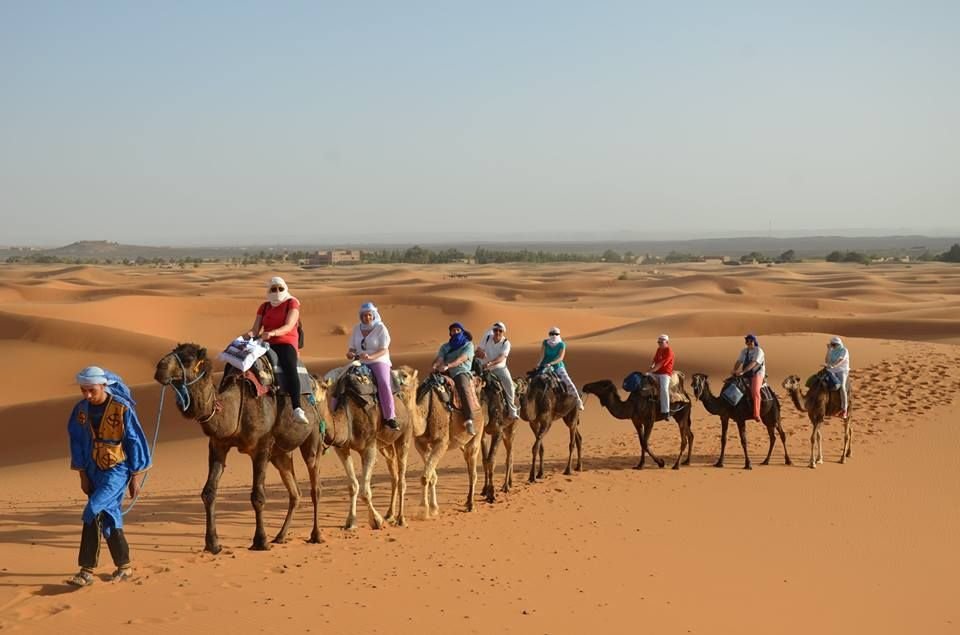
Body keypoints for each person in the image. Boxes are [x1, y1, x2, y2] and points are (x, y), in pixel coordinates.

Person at [66, 366, 152, 587]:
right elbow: (76, 441)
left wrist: (134, 477)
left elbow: (134, 441)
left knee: (92, 510)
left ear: (103, 386)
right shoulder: (81, 410)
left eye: (91, 390)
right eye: (83, 390)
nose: (87, 395)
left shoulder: (121, 408)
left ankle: (86, 570)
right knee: (110, 515)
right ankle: (124, 566)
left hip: (117, 470)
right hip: (93, 468)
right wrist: (82, 475)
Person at [246, 276, 308, 424]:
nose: (277, 292)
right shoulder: (265, 306)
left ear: (285, 288)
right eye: (273, 289)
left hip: (285, 342)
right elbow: (255, 330)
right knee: (244, 362)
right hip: (265, 343)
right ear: (269, 291)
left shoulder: (292, 303)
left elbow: (289, 325)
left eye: (280, 288)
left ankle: (297, 407)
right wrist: (245, 337)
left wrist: (273, 333)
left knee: (289, 367)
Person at [347, 302, 399, 430]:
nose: (367, 318)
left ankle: (390, 417)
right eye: (364, 315)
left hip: (378, 360)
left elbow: (384, 349)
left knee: (383, 382)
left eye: (369, 315)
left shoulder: (380, 328)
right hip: (360, 361)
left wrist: (371, 357)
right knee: (343, 380)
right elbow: (352, 348)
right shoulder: (356, 329)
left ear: (374, 315)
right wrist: (350, 353)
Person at [432, 322, 478, 436]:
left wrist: (449, 365)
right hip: (445, 372)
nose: (455, 332)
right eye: (453, 330)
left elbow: (462, 359)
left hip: (461, 371)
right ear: (450, 333)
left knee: (462, 386)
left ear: (462, 332)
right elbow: (440, 358)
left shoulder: (468, 345)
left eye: (458, 330)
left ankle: (469, 420)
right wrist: (435, 365)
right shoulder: (445, 346)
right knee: (429, 384)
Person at [477, 321, 520, 420]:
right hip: (484, 367)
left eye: (500, 331)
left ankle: (512, 410)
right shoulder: (487, 337)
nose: (497, 332)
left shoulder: (506, 343)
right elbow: (479, 349)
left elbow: (502, 357)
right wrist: (480, 353)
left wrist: (490, 363)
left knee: (509, 386)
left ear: (503, 332)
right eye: (495, 330)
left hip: (499, 368)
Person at [536, 327, 585, 411]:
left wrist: (551, 363)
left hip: (557, 366)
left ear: (559, 334)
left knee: (567, 381)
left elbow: (560, 358)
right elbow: (542, 355)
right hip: (545, 365)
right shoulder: (545, 343)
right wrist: (539, 363)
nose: (553, 335)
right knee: (533, 379)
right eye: (551, 334)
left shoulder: (561, 344)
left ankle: (578, 400)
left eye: (556, 334)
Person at [732, 334, 765, 421]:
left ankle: (757, 414)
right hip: (746, 373)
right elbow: (739, 361)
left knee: (755, 391)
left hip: (757, 373)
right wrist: (734, 370)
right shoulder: (744, 351)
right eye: (747, 341)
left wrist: (743, 371)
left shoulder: (758, 351)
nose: (749, 343)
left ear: (754, 342)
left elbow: (754, 363)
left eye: (751, 341)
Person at [649, 334, 675, 421]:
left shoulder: (669, 351)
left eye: (661, 342)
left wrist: (652, 370)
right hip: (656, 372)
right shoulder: (659, 349)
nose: (659, 344)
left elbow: (661, 363)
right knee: (645, 381)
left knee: (664, 389)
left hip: (665, 374)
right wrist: (651, 366)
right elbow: (655, 360)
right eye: (658, 342)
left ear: (666, 342)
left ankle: (666, 411)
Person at [824, 335, 850, 417]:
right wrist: (828, 350)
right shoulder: (832, 351)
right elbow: (827, 360)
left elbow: (841, 360)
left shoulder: (844, 350)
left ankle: (844, 409)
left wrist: (834, 365)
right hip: (831, 370)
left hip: (842, 370)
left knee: (842, 387)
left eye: (834, 345)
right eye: (832, 344)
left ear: (839, 344)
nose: (833, 346)